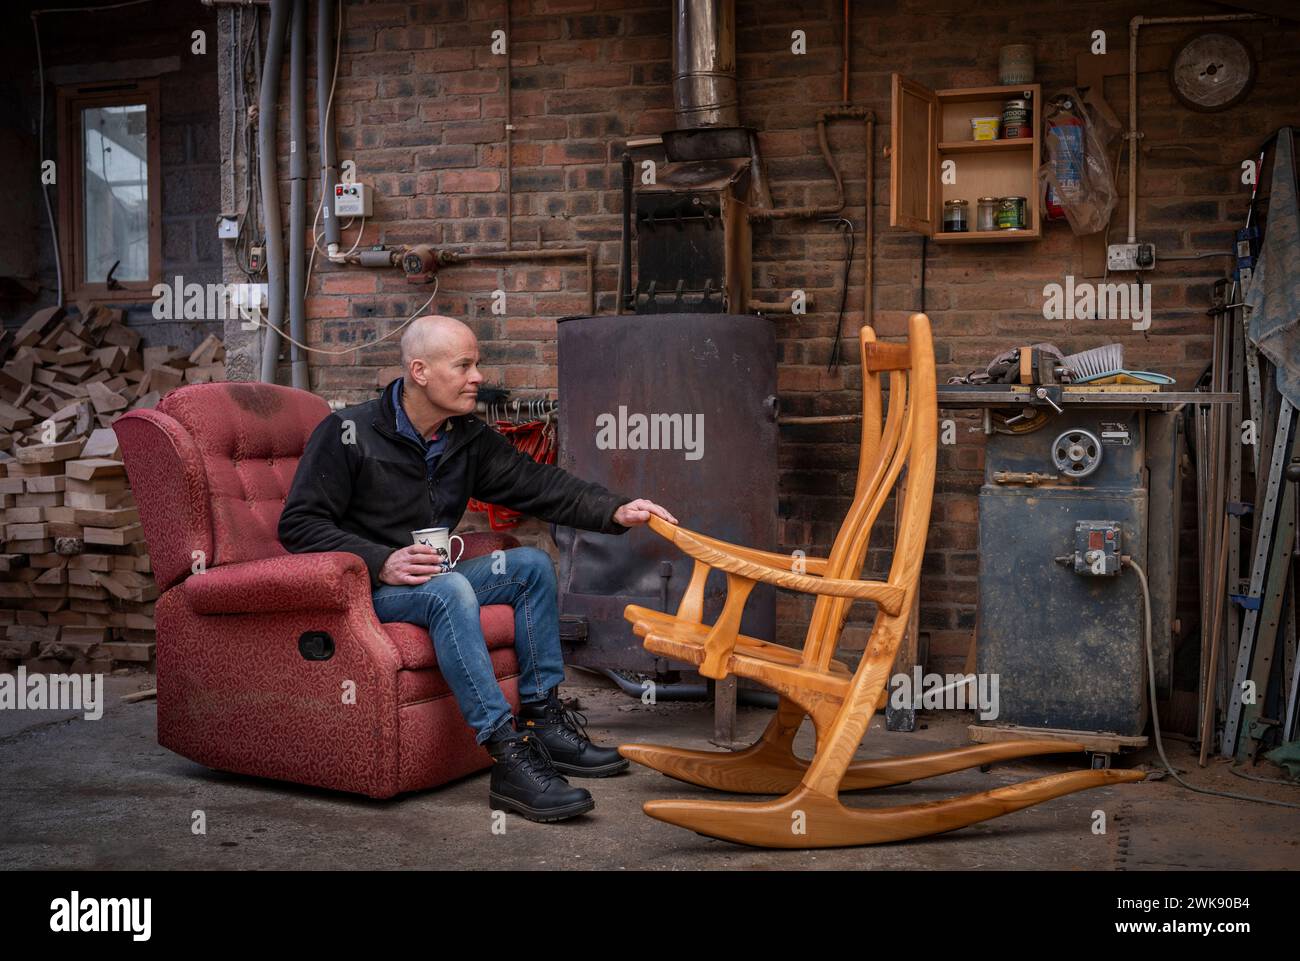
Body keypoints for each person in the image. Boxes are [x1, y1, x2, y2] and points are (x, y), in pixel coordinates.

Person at [278, 314, 676, 823]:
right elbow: (299, 525)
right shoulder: (348, 432)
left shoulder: (464, 437)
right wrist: (381, 561)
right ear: (419, 371)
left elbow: (538, 483)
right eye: (463, 365)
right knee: (452, 592)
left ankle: (544, 721)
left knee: (530, 565)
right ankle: (507, 753)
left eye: (476, 364)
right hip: (369, 589)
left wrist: (614, 509)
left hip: (434, 580)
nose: (477, 377)